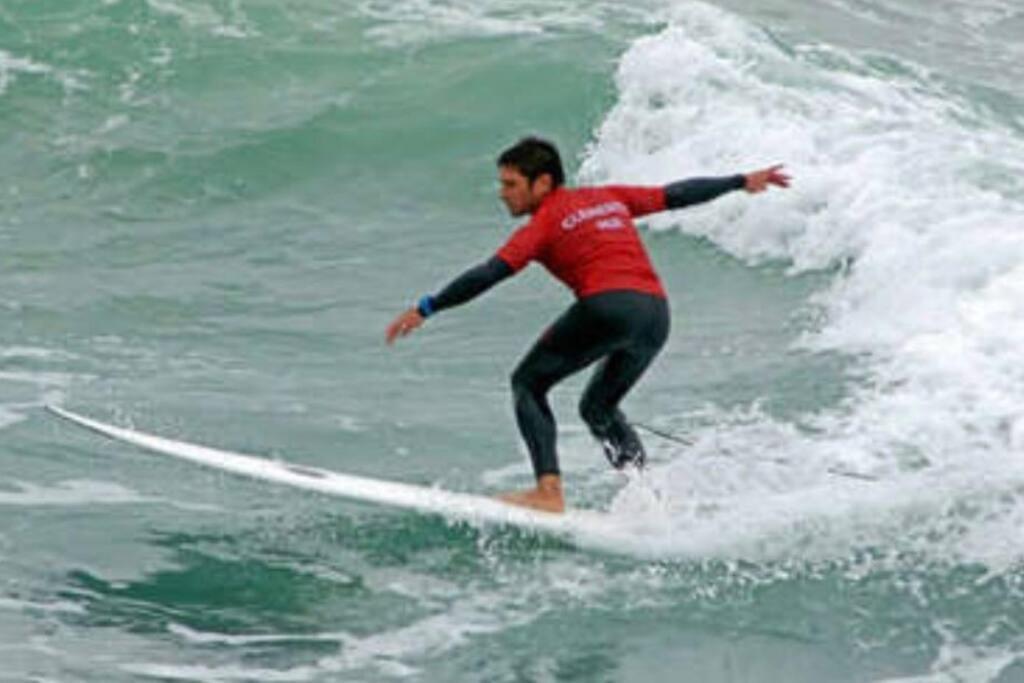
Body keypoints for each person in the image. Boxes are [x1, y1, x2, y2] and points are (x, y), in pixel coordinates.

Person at [386, 137, 790, 513]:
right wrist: (740, 181)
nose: (502, 192)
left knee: (528, 383)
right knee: (599, 407)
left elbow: (490, 272)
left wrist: (428, 306)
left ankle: (548, 491)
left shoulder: (543, 224)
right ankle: (648, 500)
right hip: (654, 314)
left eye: (510, 184)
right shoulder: (607, 198)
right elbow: (676, 194)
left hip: (607, 306)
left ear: (542, 183)